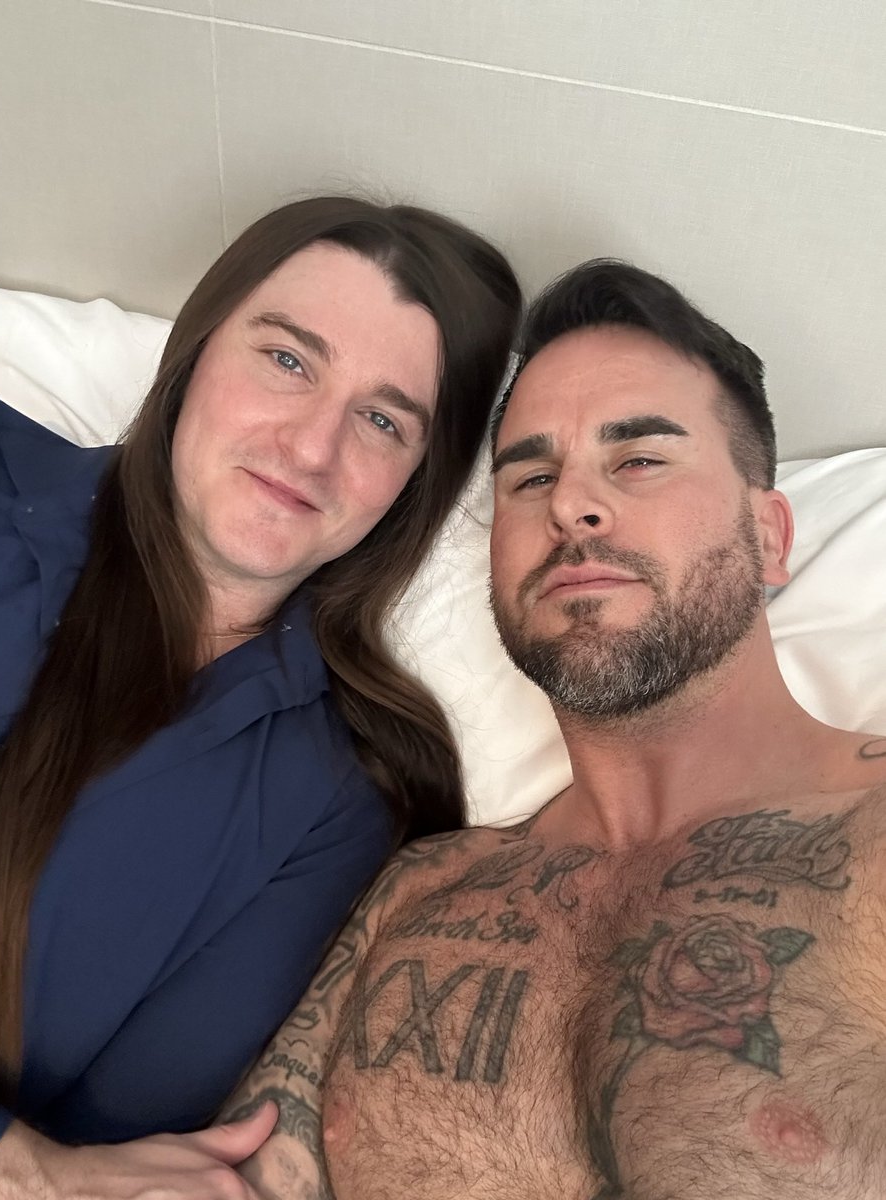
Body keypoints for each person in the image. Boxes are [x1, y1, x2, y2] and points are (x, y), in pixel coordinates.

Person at [223, 259, 886, 1199]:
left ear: (770, 536)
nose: (571, 505)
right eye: (531, 477)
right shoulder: (418, 893)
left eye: (639, 459)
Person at [0, 197, 522, 1190]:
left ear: (415, 485)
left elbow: (113, 1153)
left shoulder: (347, 795)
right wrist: (17, 1167)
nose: (312, 448)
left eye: (381, 421)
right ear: (195, 351)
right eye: (287, 359)